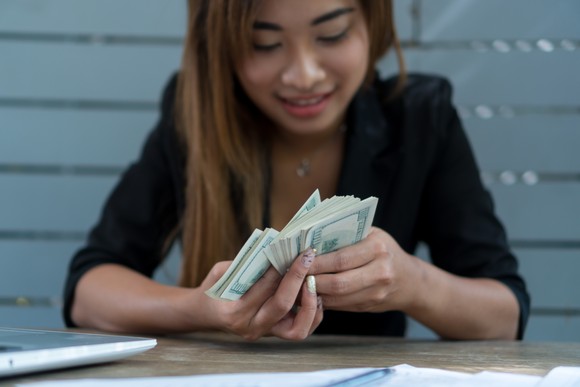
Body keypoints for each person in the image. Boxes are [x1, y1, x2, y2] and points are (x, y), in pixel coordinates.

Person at [63, 0, 530, 341]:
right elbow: (88, 291)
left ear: (373, 22)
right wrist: (196, 309)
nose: (303, 75)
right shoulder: (197, 116)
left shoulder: (420, 118)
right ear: (221, 48)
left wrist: (413, 283)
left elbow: (505, 316)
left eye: (331, 35)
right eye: (263, 44)